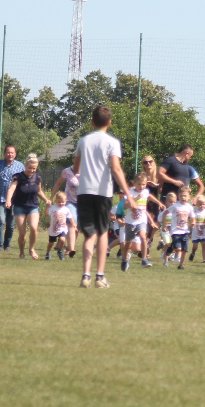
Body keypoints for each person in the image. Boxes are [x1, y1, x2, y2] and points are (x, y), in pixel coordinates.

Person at [74, 105, 133, 289]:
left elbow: (75, 168)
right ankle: (99, 277)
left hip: (84, 191)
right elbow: (116, 169)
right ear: (109, 123)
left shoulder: (83, 141)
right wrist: (128, 195)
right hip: (103, 193)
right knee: (101, 234)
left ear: (92, 122)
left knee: (88, 236)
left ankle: (85, 275)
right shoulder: (112, 142)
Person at [6, 154, 51, 261]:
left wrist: (46, 200)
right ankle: (21, 251)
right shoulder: (17, 177)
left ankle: (31, 249)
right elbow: (11, 189)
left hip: (33, 206)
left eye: (34, 169)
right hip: (19, 207)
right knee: (22, 233)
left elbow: (39, 191)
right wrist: (8, 200)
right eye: (30, 168)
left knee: (34, 228)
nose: (32, 170)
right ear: (25, 166)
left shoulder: (37, 178)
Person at [0, 145, 25, 251]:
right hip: (0, 198)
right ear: (4, 154)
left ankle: (7, 245)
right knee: (0, 220)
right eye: (8, 152)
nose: (10, 154)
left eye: (12, 152)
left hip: (14, 200)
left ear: (15, 154)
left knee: (11, 223)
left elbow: (23, 181)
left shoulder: (20, 166)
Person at [51, 155, 80, 256]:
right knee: (73, 223)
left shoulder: (88, 171)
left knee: (78, 227)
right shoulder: (67, 171)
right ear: (73, 159)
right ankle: (71, 249)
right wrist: (51, 198)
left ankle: (66, 246)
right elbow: (58, 184)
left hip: (83, 202)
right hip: (70, 201)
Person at [44, 191, 77, 261]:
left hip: (62, 228)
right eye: (59, 202)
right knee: (51, 243)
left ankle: (60, 251)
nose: (61, 203)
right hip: (53, 229)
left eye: (62, 202)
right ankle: (48, 252)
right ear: (56, 201)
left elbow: (70, 217)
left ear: (66, 201)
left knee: (62, 239)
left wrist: (73, 224)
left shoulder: (66, 209)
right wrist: (47, 206)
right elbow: (46, 214)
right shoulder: (53, 208)